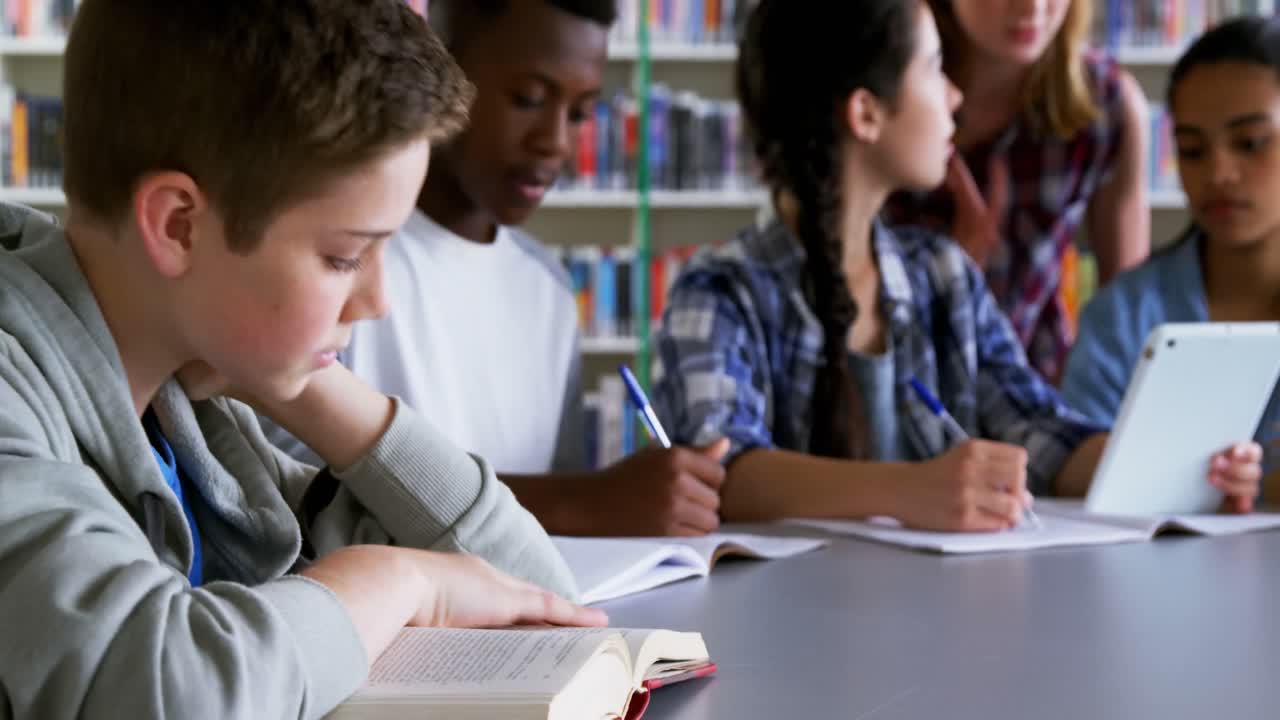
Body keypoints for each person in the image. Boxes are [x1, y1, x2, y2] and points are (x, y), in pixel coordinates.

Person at [0, 2, 604, 718]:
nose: (379, 299)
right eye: (345, 256)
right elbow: (171, 693)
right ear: (177, 224)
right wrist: (403, 581)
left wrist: (307, 383)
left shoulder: (189, 411)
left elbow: (539, 605)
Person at [651, 0, 1262, 531]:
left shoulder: (942, 275)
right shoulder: (720, 291)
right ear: (865, 114)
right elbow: (720, 473)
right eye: (937, 68)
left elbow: (1038, 431)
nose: (956, 96)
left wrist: (1187, 465)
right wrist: (906, 489)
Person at [270, 0, 729, 538]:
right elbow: (299, 499)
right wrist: (582, 503)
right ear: (439, 65)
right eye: (529, 99)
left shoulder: (551, 291)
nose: (556, 142)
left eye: (580, 113)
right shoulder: (346, 267)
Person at [1063, 15, 1280, 511]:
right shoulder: (1123, 316)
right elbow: (1073, 474)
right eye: (1192, 151)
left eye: (1251, 143)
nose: (1219, 173)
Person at [883, 0, 1150, 384]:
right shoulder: (884, 88)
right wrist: (954, 272)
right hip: (903, 383)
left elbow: (1126, 312)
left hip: (1037, 387)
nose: (1033, 7)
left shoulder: (1106, 104)